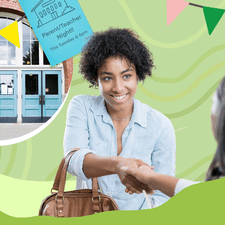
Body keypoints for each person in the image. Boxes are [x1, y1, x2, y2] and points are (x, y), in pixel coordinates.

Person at [64, 28, 176, 210]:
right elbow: (72, 160)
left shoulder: (160, 126)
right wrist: (119, 165)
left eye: (126, 76)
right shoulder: (82, 106)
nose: (118, 87)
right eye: (107, 78)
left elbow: (163, 194)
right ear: (96, 79)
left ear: (138, 74)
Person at [123, 61, 225, 197]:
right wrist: (151, 178)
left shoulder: (160, 124)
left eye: (215, 103)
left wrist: (150, 178)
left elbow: (209, 197)